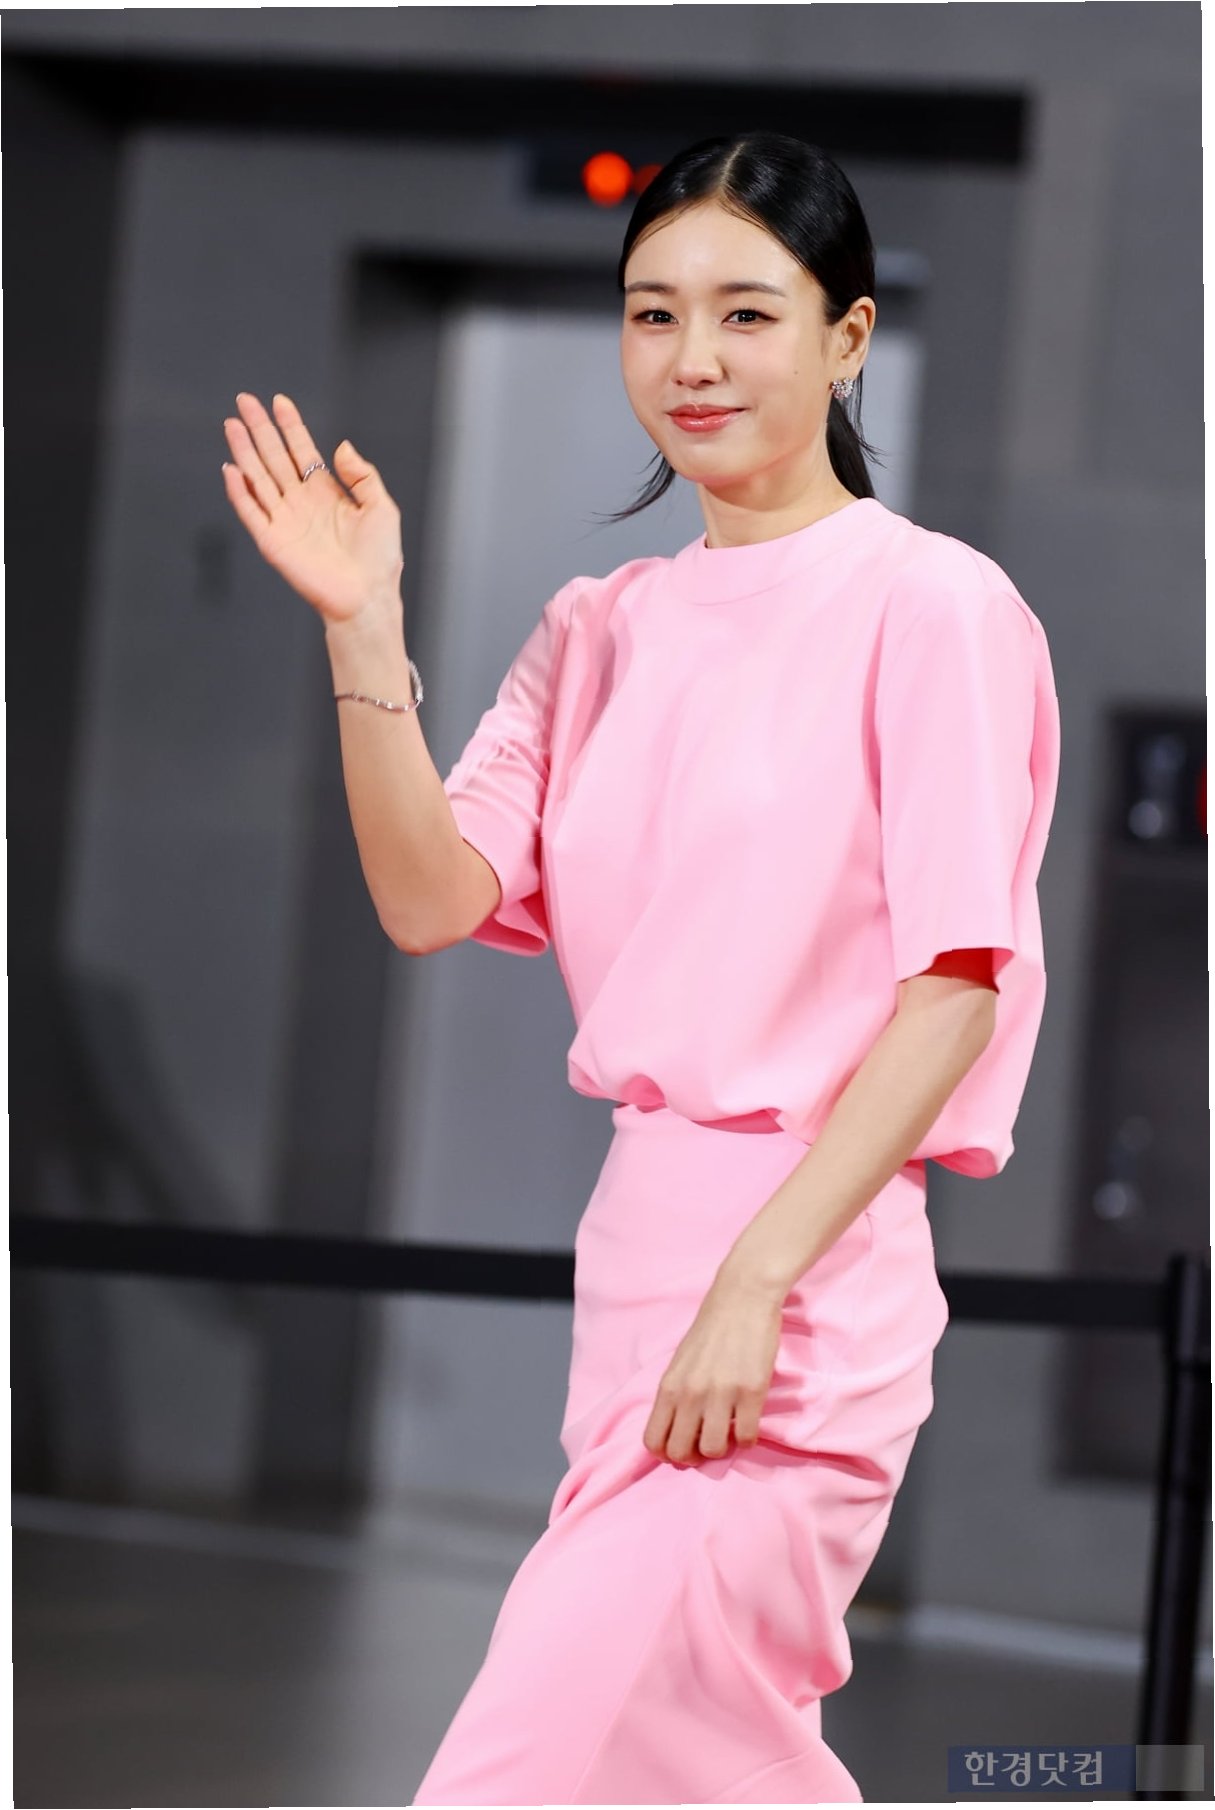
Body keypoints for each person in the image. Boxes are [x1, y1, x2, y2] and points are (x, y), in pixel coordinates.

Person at [221, 130, 1061, 1806]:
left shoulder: (935, 609)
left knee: (525, 1771)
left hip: (801, 1283)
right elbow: (428, 897)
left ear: (847, 336)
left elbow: (955, 988)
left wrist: (757, 1279)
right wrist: (362, 627)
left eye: (748, 312)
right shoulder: (596, 625)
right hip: (635, 1278)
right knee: (700, 1765)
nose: (692, 359)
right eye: (653, 312)